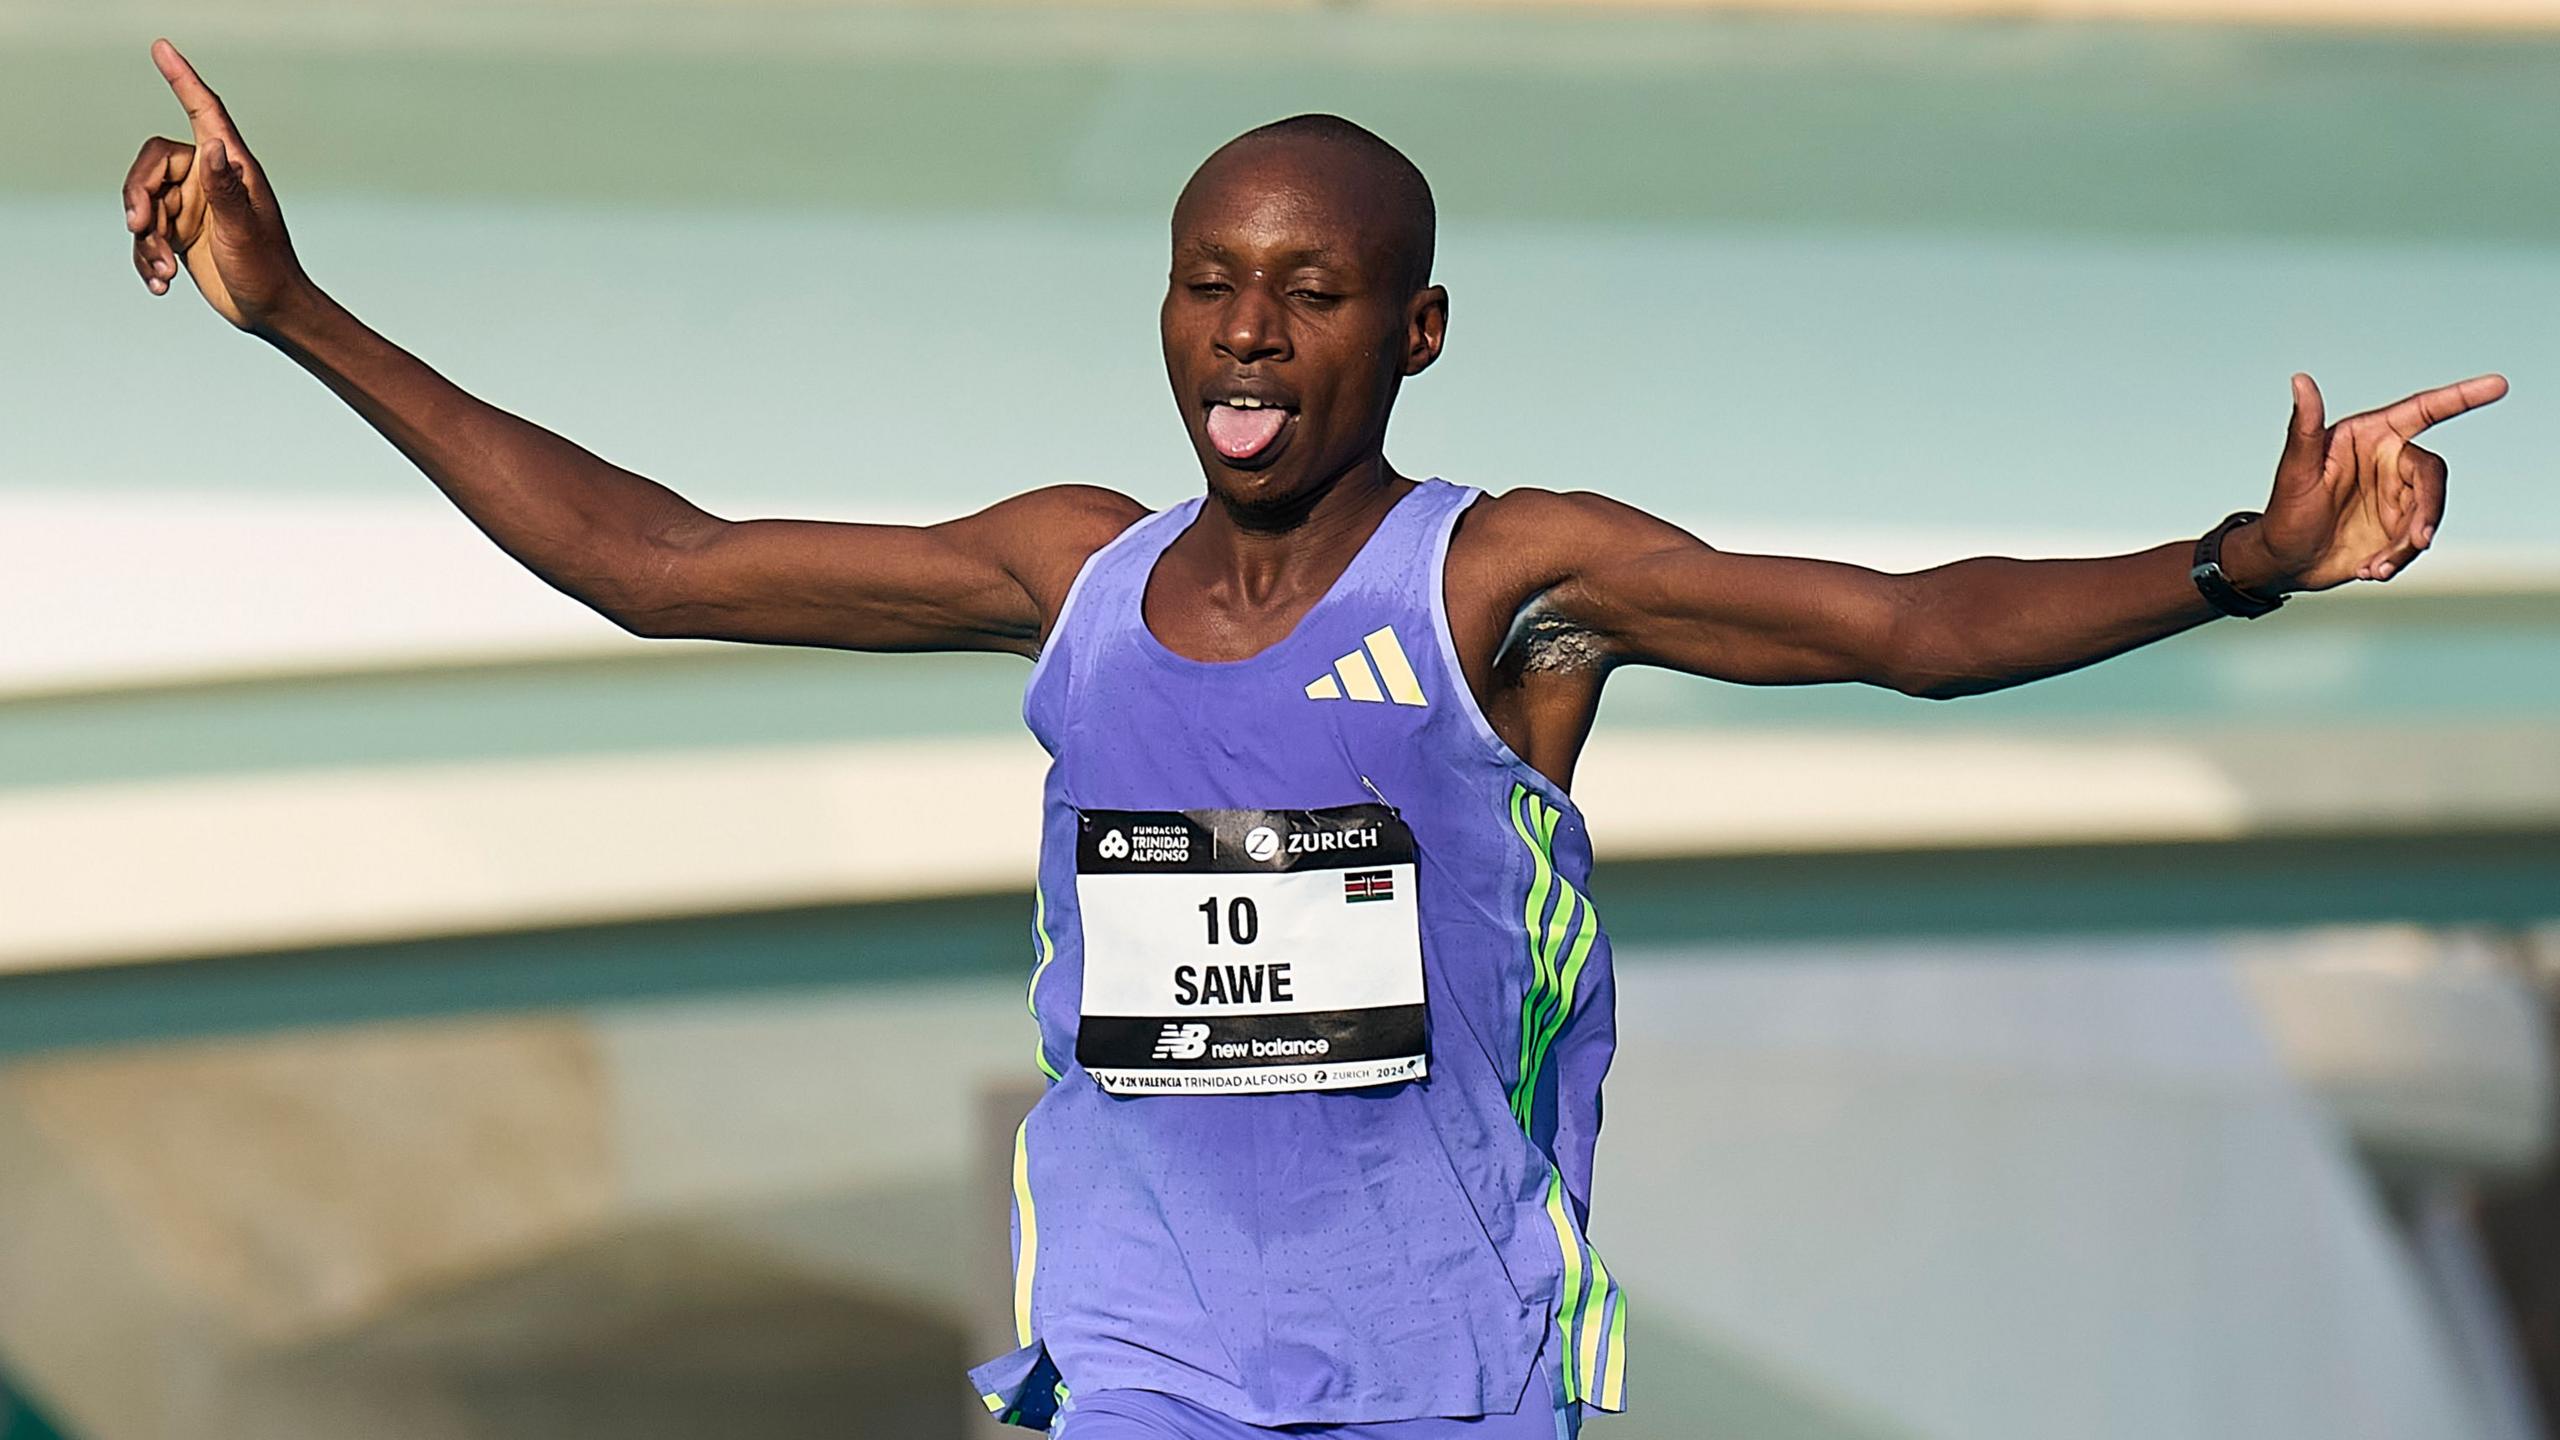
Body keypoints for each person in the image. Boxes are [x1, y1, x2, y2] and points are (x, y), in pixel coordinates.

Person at [122, 36, 2505, 1438]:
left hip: (1453, 1375)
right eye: (1209, 282)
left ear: (1416, 330)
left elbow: (1897, 623)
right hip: (1143, 1355)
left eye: (1314, 290)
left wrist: (2229, 561)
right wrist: (297, 311)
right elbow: (653, 557)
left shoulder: (1504, 583)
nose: (1248, 334)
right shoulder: (1062, 573)